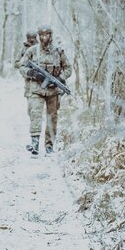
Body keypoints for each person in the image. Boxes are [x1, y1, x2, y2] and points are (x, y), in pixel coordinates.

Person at [19, 25, 72, 155]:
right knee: (35, 115)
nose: (44, 37)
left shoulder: (58, 52)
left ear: (50, 36)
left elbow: (68, 68)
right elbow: (21, 66)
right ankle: (34, 144)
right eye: (41, 35)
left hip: (53, 92)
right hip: (36, 89)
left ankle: (49, 146)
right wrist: (32, 73)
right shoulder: (32, 51)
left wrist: (60, 78)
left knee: (52, 118)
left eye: (47, 35)